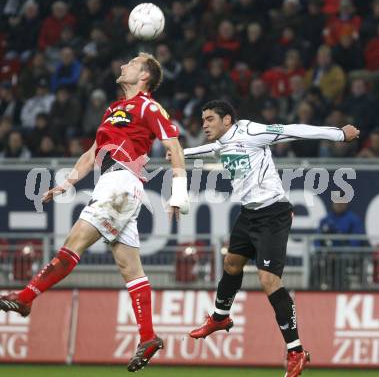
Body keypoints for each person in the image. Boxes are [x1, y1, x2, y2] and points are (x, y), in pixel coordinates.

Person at [0, 52, 190, 372]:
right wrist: (68, 183)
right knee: (129, 267)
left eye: (130, 64)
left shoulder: (149, 107)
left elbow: (174, 147)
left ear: (144, 76)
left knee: (72, 246)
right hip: (110, 182)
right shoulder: (113, 109)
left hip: (122, 183)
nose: (122, 65)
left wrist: (179, 194)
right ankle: (148, 336)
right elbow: (92, 152)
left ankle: (26, 297)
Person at [180, 100, 359, 377]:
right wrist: (179, 153)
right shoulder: (223, 142)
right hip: (249, 213)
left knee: (268, 280)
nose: (204, 124)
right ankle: (220, 317)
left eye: (210, 119)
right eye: (203, 119)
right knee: (231, 263)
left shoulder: (252, 132)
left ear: (227, 120)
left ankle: (296, 351)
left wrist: (338, 134)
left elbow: (294, 129)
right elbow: (211, 149)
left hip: (273, 214)